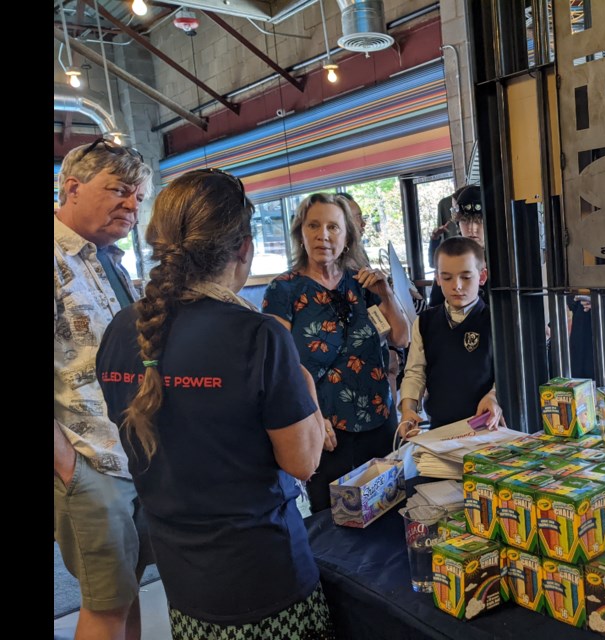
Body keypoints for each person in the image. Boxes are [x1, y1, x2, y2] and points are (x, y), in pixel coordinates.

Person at [95, 169, 334, 639]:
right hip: (265, 577)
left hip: (184, 579)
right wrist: (302, 379)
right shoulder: (258, 335)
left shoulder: (121, 330)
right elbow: (303, 462)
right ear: (243, 247)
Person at [54, 136, 154, 640]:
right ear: (72, 188)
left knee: (126, 594)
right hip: (89, 460)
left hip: (133, 453)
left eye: (138, 196)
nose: (132, 205)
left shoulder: (109, 260)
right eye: (119, 190)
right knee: (105, 606)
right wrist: (68, 465)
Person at [263, 193, 410, 511]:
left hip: (379, 421)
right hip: (327, 432)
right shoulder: (284, 290)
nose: (323, 235)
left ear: (347, 236)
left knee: (386, 514)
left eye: (333, 226)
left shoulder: (363, 283)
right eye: (314, 225)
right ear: (301, 232)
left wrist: (385, 292)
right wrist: (313, 419)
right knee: (335, 528)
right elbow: (278, 369)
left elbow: (400, 335)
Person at [399, 236, 502, 437]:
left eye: (466, 277)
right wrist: (407, 409)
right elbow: (415, 372)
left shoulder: (496, 321)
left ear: (482, 277)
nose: (457, 286)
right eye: (447, 278)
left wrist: (494, 395)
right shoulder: (425, 322)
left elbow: (509, 372)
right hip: (440, 427)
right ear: (437, 278)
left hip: (487, 426)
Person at [427, 184, 487, 308]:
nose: (472, 229)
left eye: (478, 221)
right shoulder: (450, 257)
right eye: (465, 221)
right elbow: (435, 307)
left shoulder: (507, 258)